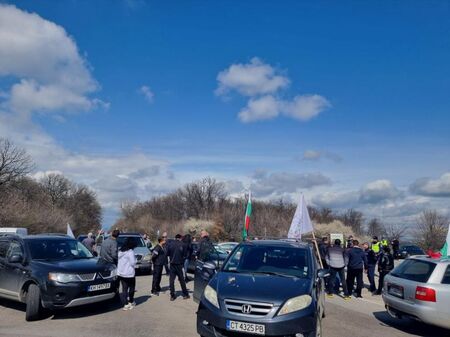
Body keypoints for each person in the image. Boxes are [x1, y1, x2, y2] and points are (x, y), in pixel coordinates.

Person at [167, 234, 189, 301]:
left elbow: (167, 254)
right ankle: (185, 294)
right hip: (179, 264)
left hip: (172, 264)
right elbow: (185, 255)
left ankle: (172, 295)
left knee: (171, 280)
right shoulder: (183, 244)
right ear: (180, 238)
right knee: (182, 280)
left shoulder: (170, 244)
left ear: (175, 238)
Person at [118, 237, 137, 310]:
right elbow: (133, 263)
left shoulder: (120, 251)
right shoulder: (130, 252)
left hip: (121, 273)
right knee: (132, 288)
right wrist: (135, 259)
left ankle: (125, 304)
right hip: (129, 273)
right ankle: (131, 301)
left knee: (124, 289)